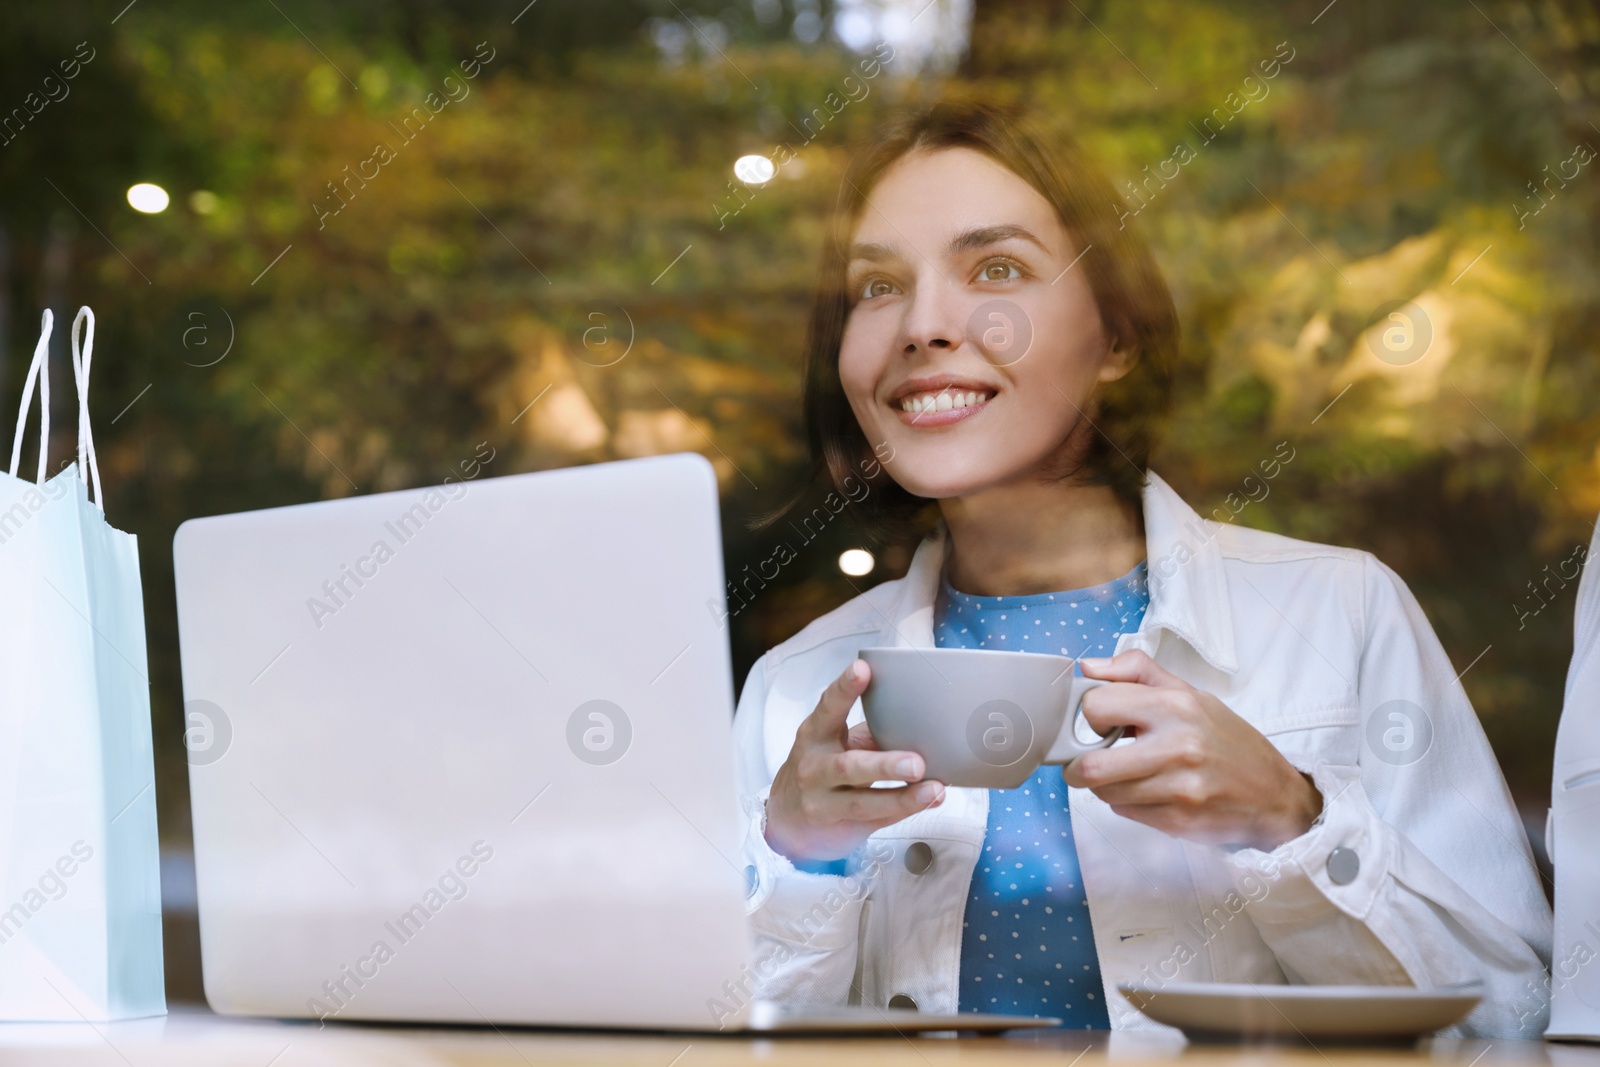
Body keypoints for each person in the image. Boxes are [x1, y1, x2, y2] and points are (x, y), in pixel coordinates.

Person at [729, 99, 1551, 1037]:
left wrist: (1294, 820)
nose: (922, 323)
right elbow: (681, 1042)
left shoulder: (1344, 612)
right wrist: (803, 859)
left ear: (1117, 336)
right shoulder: (796, 684)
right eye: (875, 286)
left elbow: (1514, 1022)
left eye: (996, 268)